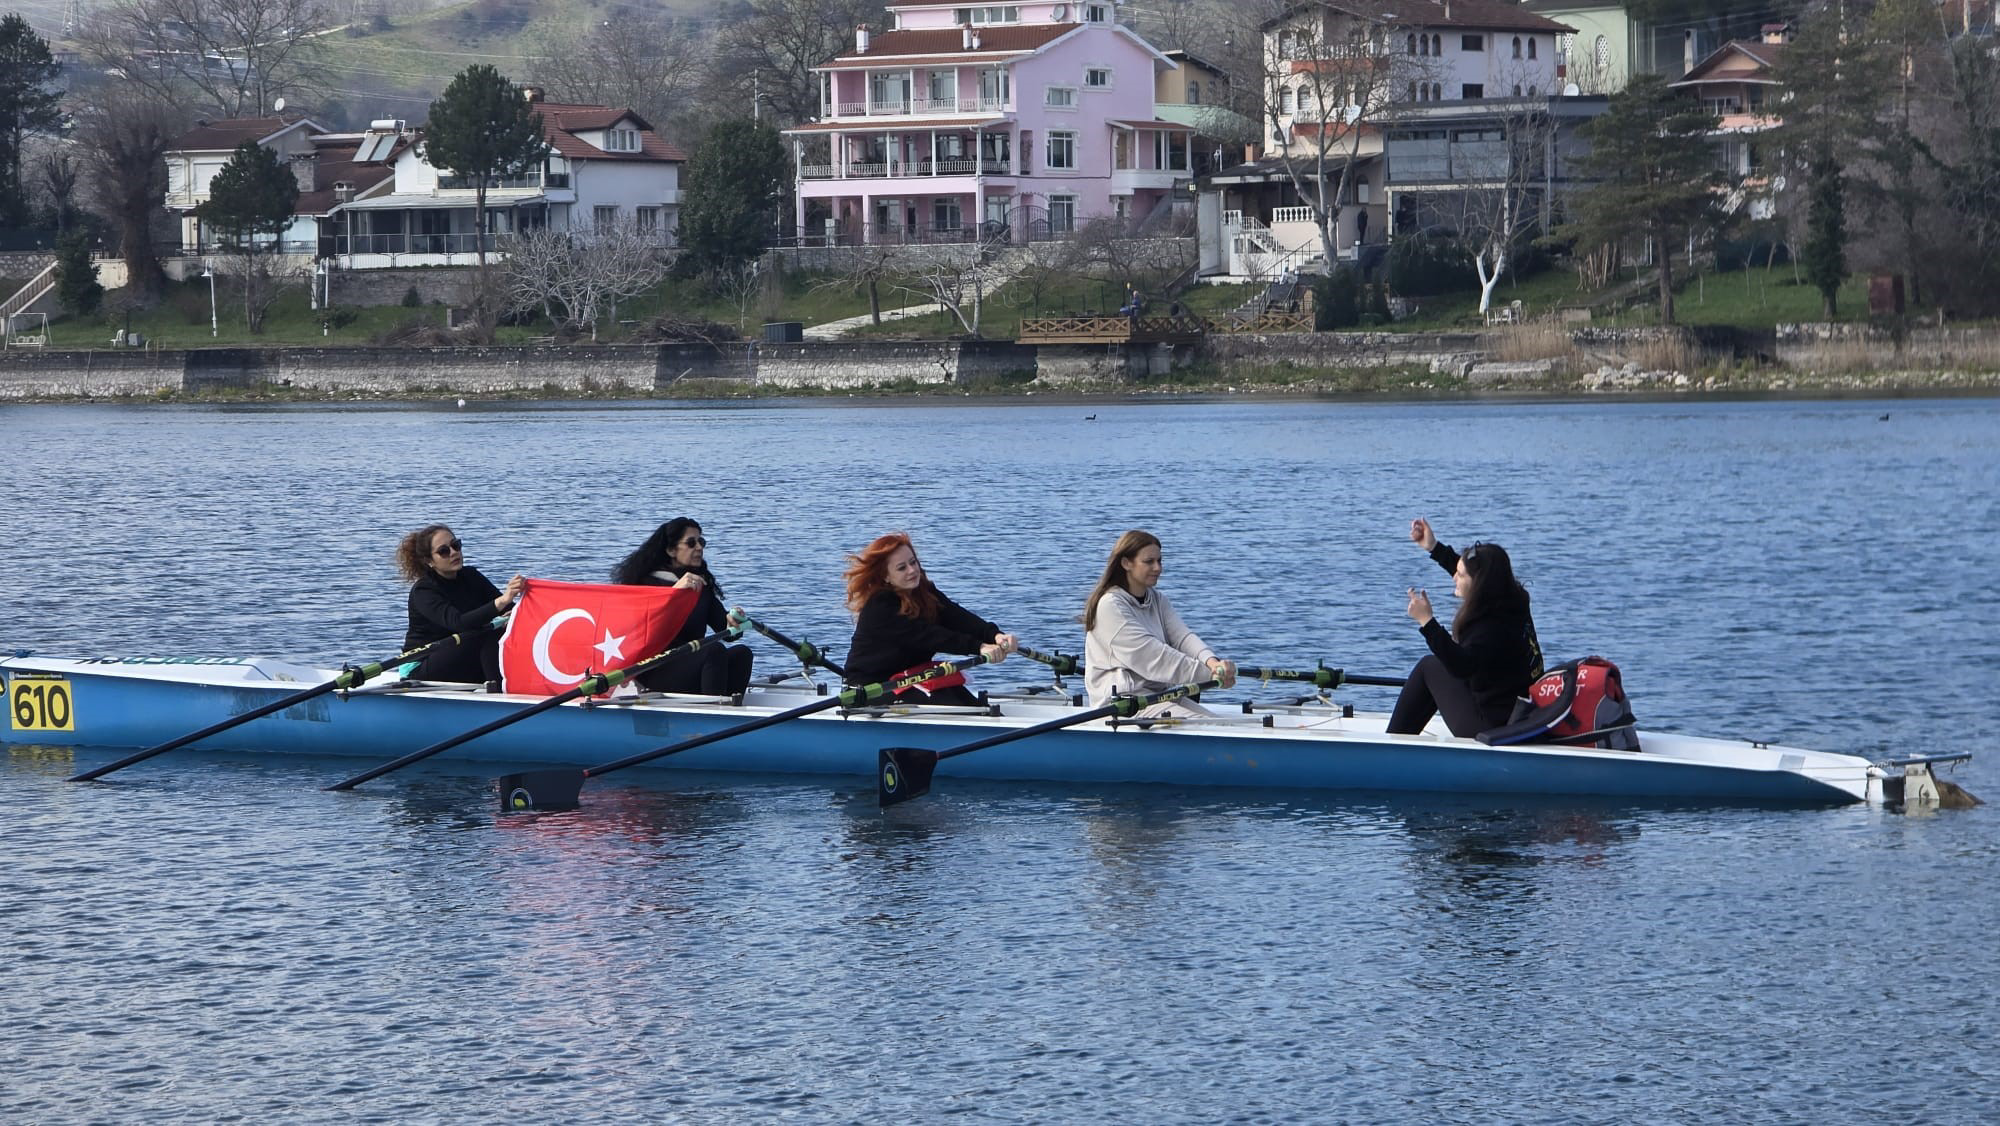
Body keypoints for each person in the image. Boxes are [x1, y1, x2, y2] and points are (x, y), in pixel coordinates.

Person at [1387, 518, 1542, 737]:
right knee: (1435, 667)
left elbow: (1460, 666)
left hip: (1491, 726)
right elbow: (1471, 572)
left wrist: (1426, 621)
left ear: (1478, 584)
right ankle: (1402, 739)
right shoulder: (1513, 599)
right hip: (1518, 713)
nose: (1454, 579)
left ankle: (1393, 743)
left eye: (1460, 576)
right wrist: (1434, 547)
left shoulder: (1488, 627)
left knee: (1428, 667)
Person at [843, 532, 1015, 707]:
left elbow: (957, 617)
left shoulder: (924, 591)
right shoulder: (880, 607)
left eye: (913, 562)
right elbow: (927, 636)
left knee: (966, 701)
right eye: (902, 568)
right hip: (870, 689)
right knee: (955, 704)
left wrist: (995, 636)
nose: (912, 570)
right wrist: (980, 647)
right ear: (885, 576)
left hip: (909, 679)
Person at [1082, 530, 1235, 717]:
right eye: (1149, 562)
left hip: (1157, 696)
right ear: (1126, 563)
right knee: (1210, 727)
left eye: (1159, 561)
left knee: (1218, 723)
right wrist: (1210, 675)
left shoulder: (1157, 599)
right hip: (1123, 704)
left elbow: (1183, 638)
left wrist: (1213, 663)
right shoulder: (1110, 606)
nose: (1157, 568)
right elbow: (1153, 657)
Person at [611, 517, 754, 697]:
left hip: (690, 663)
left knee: (742, 654)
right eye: (691, 543)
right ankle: (713, 709)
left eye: (701, 542)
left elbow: (727, 633)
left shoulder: (700, 586)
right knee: (713, 650)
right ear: (671, 550)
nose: (699, 548)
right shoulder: (646, 584)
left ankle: (730, 707)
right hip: (654, 668)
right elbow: (640, 629)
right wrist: (673, 594)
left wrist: (734, 622)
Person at [396, 523, 524, 686]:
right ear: (429, 561)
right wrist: (503, 600)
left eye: (455, 545)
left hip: (457, 654)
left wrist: (515, 610)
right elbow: (459, 623)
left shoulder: (471, 575)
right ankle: (499, 691)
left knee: (506, 630)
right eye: (444, 551)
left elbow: (508, 609)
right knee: (485, 635)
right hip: (420, 665)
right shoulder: (424, 591)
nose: (454, 552)